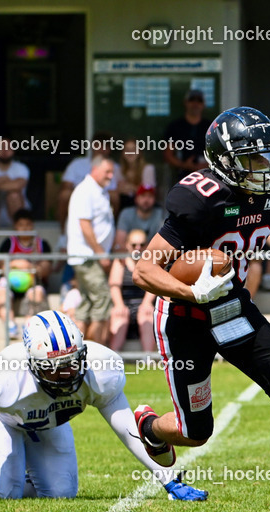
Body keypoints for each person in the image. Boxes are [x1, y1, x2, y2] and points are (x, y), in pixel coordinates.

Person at [133, 106, 270, 512]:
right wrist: (192, 291)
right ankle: (150, 427)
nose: (265, 166)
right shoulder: (200, 198)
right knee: (196, 433)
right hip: (184, 316)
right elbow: (144, 270)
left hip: (231, 306)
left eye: (268, 154)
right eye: (253, 157)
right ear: (225, 162)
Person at [0, 311, 207, 502]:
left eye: (71, 364)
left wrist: (169, 479)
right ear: (33, 363)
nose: (67, 374)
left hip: (48, 421)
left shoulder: (101, 369)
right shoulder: (3, 380)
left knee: (61, 492)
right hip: (5, 420)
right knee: (3, 494)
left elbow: (127, 429)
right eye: (55, 368)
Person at [66, 155, 116, 344]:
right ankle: (97, 355)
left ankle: (78, 352)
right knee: (102, 301)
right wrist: (100, 252)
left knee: (86, 305)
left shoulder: (99, 191)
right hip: (88, 257)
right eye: (107, 172)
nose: (111, 176)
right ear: (94, 170)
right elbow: (84, 225)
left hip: (89, 256)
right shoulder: (86, 190)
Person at [0, 208, 51, 338]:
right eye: (21, 225)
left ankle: (29, 327)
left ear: (32, 226)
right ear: (15, 227)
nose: (25, 228)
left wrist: (28, 266)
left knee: (37, 293)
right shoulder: (8, 243)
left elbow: (46, 269)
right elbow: (1, 266)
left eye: (28, 225)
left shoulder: (42, 244)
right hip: (11, 283)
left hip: (33, 283)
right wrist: (15, 264)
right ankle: (10, 326)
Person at [108, 229, 156, 351]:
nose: (138, 248)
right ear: (127, 245)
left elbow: (154, 286)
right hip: (125, 305)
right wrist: (119, 305)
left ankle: (148, 357)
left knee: (147, 314)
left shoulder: (150, 262)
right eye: (134, 245)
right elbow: (114, 285)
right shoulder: (120, 262)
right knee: (119, 315)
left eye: (142, 244)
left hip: (144, 305)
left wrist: (146, 303)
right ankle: (115, 358)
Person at [57, 132, 119, 227]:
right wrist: (83, 193)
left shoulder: (114, 167)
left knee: (115, 196)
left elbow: (118, 188)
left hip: (104, 196)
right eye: (98, 145)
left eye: (106, 146)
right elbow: (65, 186)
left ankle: (111, 227)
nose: (102, 149)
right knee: (64, 195)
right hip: (79, 196)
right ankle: (62, 231)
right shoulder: (77, 164)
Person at [163, 89, 210, 183]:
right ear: (186, 102)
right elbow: (168, 154)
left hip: (208, 175)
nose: (195, 104)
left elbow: (219, 154)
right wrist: (184, 165)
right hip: (180, 177)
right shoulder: (175, 126)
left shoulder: (210, 127)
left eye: (199, 101)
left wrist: (204, 165)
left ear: (203, 104)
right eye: (192, 100)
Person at [116, 136, 157, 212]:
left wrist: (131, 187)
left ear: (139, 152)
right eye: (127, 150)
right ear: (122, 153)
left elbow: (149, 192)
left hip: (144, 207)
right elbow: (116, 189)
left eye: (133, 149)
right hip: (123, 206)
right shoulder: (118, 169)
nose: (130, 152)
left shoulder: (148, 168)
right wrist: (137, 188)